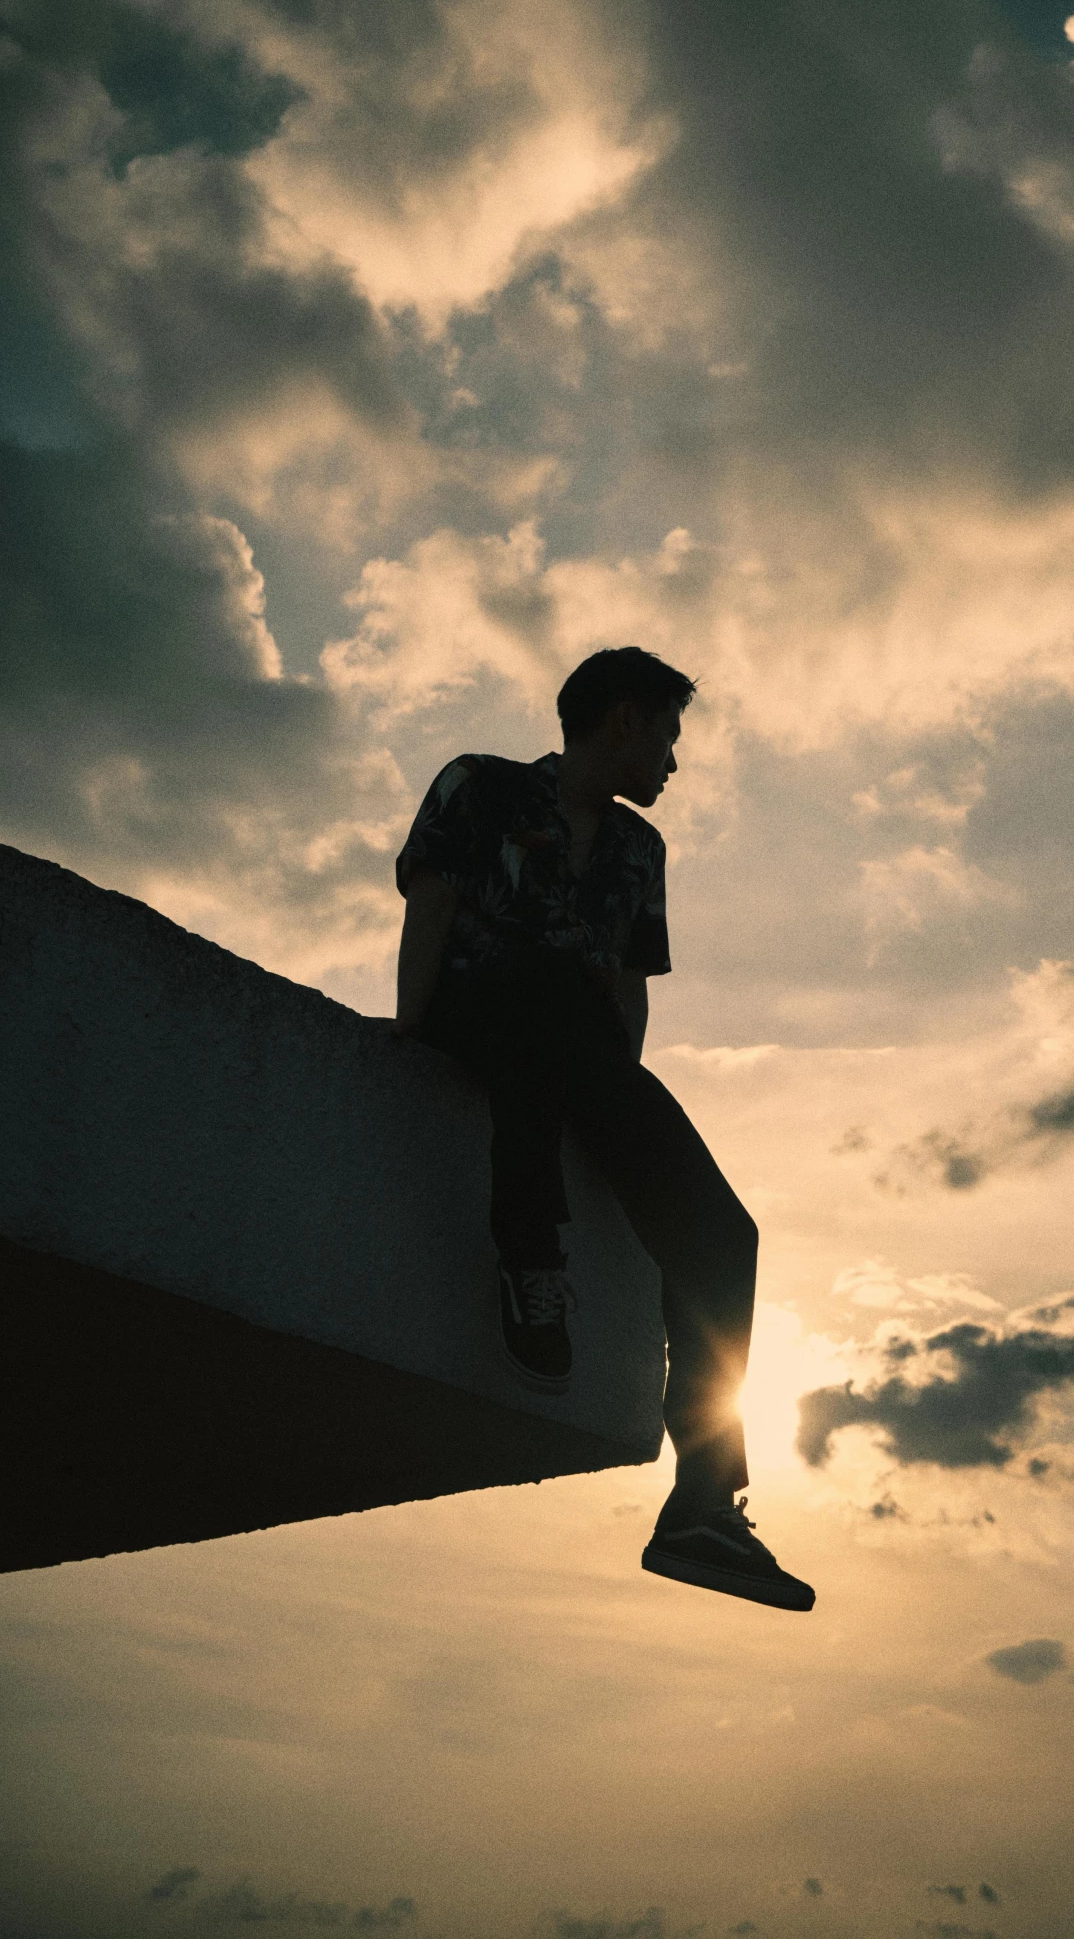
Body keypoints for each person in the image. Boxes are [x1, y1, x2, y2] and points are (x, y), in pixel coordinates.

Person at [390, 645, 813, 1613]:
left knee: (722, 1233)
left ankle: (703, 1502)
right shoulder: (479, 786)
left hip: (576, 1053)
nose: (672, 759)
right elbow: (435, 902)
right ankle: (529, 1263)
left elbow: (625, 993)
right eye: (668, 734)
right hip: (477, 1016)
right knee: (540, 986)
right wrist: (409, 1031)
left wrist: (624, 1117)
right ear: (623, 719)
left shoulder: (638, 853)